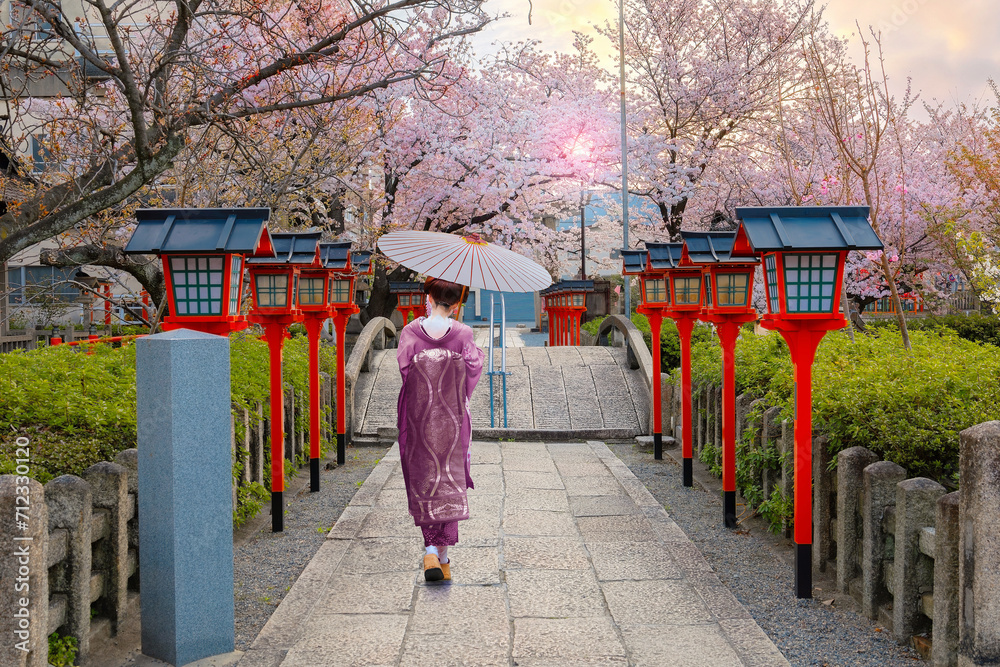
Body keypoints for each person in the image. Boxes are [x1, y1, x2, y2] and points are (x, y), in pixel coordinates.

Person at [396, 277, 485, 582]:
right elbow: (473, 369)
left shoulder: (410, 332)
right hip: (452, 419)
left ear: (429, 298)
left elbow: (405, 369)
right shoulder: (462, 333)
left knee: (424, 476)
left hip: (419, 417)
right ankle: (441, 556)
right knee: (449, 477)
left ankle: (431, 550)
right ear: (457, 303)